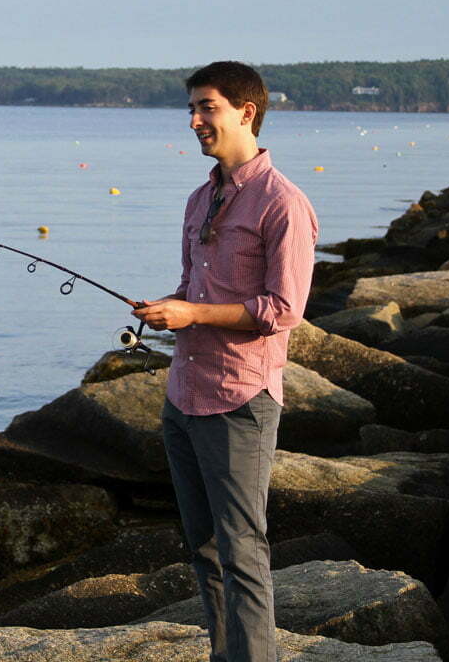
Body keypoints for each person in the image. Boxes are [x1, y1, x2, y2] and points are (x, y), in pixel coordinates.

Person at [132, 61, 317, 662]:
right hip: (183, 395)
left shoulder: (283, 203)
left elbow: (283, 308)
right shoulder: (199, 198)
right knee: (204, 550)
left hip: (240, 399)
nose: (193, 121)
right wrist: (166, 308)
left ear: (246, 112)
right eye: (191, 108)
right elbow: (198, 289)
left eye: (206, 107)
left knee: (243, 552)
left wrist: (193, 315)